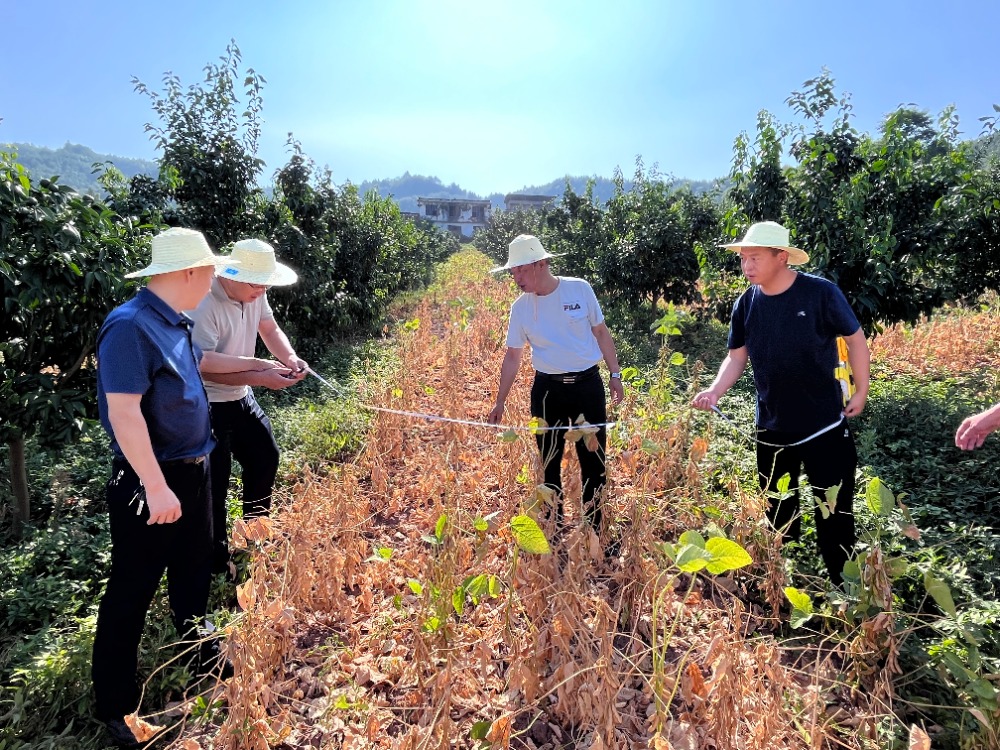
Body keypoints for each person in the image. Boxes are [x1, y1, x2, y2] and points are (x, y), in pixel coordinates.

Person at [92, 228, 245, 747]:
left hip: (191, 469)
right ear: (186, 273)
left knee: (193, 567)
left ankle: (198, 652)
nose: (213, 281)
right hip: (151, 480)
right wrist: (156, 487)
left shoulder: (175, 323)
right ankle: (115, 708)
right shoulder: (130, 327)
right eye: (209, 272)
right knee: (132, 590)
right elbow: (124, 412)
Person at [692, 221, 871, 586]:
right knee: (777, 512)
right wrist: (714, 390)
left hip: (825, 426)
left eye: (754, 257)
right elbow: (736, 357)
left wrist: (861, 391)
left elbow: (855, 339)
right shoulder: (746, 304)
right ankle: (782, 584)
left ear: (781, 257)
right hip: (772, 430)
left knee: (834, 516)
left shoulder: (820, 294)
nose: (746, 266)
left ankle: (846, 591)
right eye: (743, 258)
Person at [487, 234, 624, 533]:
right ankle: (554, 526)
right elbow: (513, 356)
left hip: (588, 387)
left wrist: (615, 374)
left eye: (521, 270)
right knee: (548, 461)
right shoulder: (520, 308)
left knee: (594, 461)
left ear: (541, 263)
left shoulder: (579, 289)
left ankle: (595, 528)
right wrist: (500, 401)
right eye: (513, 272)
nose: (516, 278)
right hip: (547, 392)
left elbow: (601, 332)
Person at [187, 238, 307, 576]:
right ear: (232, 275)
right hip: (208, 405)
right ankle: (215, 560)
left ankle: (255, 535)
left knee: (264, 456)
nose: (262, 290)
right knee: (215, 484)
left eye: (265, 284)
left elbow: (269, 327)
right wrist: (259, 372)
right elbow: (202, 364)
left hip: (240, 397)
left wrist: (288, 358)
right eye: (256, 284)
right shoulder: (204, 303)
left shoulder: (255, 291)